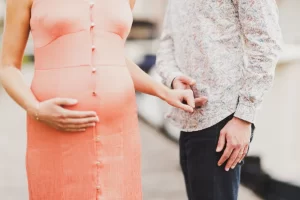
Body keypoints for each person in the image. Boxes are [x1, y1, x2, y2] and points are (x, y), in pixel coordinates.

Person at [0, 0, 202, 199]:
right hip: (55, 128)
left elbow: (113, 56)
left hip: (119, 132)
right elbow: (7, 67)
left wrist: (164, 92)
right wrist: (36, 108)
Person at [156, 0, 282, 199]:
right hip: (187, 120)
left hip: (224, 122)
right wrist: (173, 77)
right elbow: (166, 42)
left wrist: (243, 118)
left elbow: (266, 43)